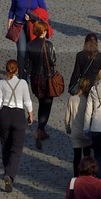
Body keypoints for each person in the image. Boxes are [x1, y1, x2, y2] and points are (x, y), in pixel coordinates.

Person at [0, 58, 35, 192]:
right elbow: (27, 101)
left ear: (6, 71)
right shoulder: (22, 83)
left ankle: (7, 171)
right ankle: (9, 174)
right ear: (17, 70)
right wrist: (31, 115)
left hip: (4, 115)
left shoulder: (1, 83)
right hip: (18, 115)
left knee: (5, 145)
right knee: (16, 148)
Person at [23, 19, 60, 147]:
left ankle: (41, 129)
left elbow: (26, 65)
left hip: (35, 80)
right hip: (47, 79)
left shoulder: (29, 45)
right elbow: (53, 61)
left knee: (40, 103)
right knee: (47, 105)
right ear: (43, 32)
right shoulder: (48, 45)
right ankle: (40, 129)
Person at [6, 0, 48, 65]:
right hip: (19, 25)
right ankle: (21, 75)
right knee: (21, 51)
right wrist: (10, 19)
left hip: (33, 26)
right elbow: (12, 8)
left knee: (32, 50)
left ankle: (29, 71)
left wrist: (32, 16)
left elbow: (44, 11)